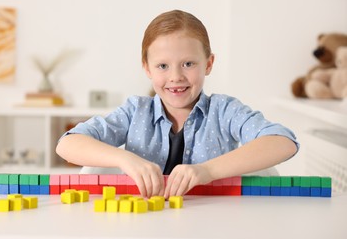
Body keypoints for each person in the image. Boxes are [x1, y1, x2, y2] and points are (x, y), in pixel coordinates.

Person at [56, 10, 299, 199]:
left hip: (214, 222)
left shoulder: (225, 111)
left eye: (188, 64)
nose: (176, 77)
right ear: (146, 67)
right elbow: (67, 144)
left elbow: (284, 143)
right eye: (163, 66)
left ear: (208, 64)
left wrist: (208, 171)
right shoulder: (135, 112)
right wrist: (125, 159)